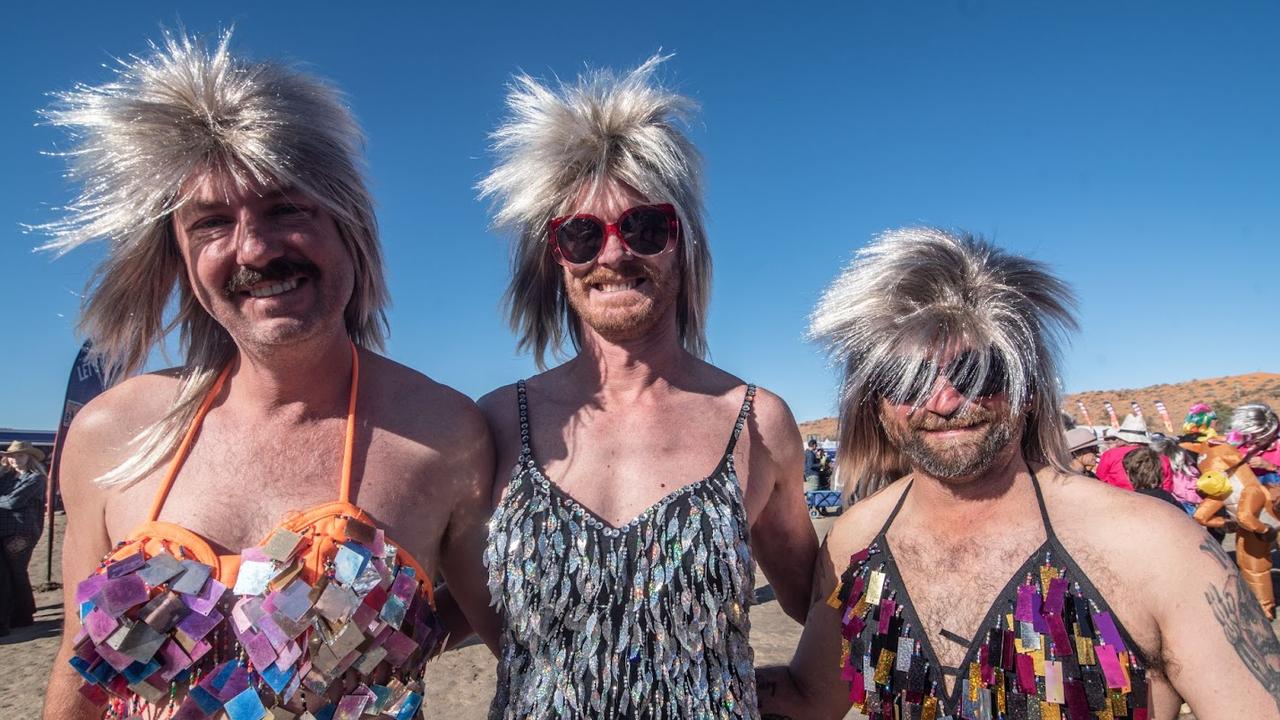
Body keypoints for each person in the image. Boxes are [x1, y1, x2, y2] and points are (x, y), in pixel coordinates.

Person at [39, 31, 497, 719]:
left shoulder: (443, 434)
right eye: (212, 223)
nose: (253, 247)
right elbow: (79, 673)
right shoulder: (112, 433)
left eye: (286, 208)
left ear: (351, 228)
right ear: (182, 258)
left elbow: (527, 645)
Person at [756, 228, 1279, 718]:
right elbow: (810, 697)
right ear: (875, 402)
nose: (941, 401)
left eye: (976, 372)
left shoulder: (1154, 547)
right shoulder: (858, 540)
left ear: (1027, 389)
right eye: (906, 378)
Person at [477, 56, 818, 718]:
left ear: (681, 242)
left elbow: (813, 600)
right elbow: (458, 605)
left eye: (642, 227)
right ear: (556, 259)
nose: (611, 254)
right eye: (581, 235)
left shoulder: (757, 422)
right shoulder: (495, 424)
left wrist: (805, 694)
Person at [1191, 403, 1280, 619]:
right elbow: (1215, 456)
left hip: (1275, 502)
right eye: (1249, 435)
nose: (1254, 441)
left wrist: (1270, 466)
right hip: (1248, 508)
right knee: (1252, 561)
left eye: (1258, 436)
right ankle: (1264, 606)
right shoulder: (1236, 442)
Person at [0, 441, 48, 636]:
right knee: (10, 573)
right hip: (5, 529)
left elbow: (14, 501)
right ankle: (21, 613)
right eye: (12, 456)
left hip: (22, 531)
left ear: (29, 457)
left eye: (20, 455)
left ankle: (22, 615)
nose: (15, 459)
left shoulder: (36, 478)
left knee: (16, 571)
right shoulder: (6, 477)